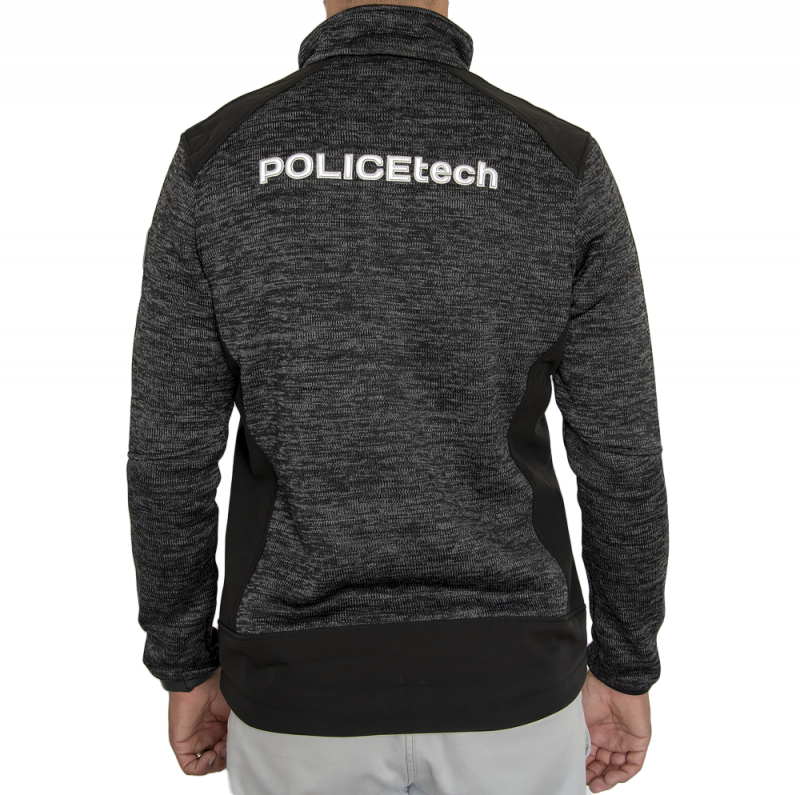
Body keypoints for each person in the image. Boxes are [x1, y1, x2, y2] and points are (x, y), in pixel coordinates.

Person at [126, 1, 669, 793]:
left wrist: (184, 662)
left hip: (296, 692)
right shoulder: (556, 162)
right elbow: (621, 451)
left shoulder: (220, 159)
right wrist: (624, 663)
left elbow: (169, 454)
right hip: (512, 689)